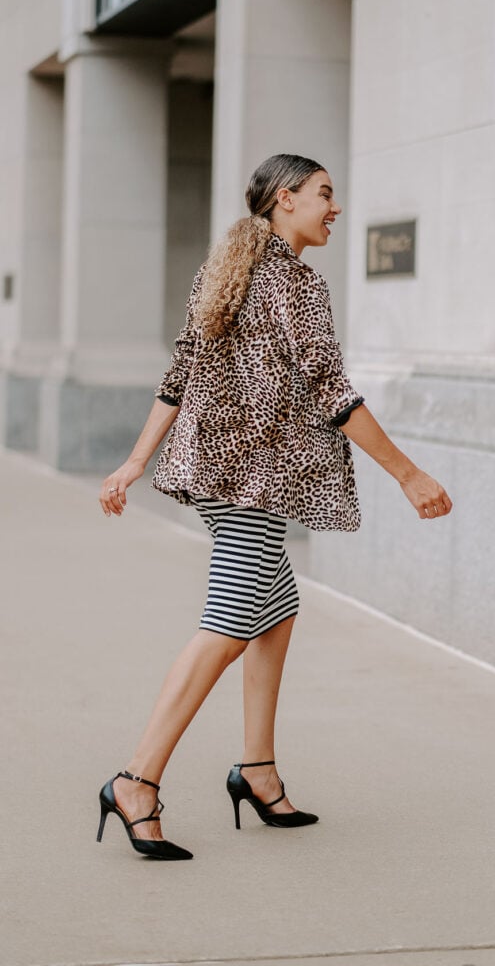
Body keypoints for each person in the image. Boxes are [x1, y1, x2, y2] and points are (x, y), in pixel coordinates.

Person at [97, 153, 452, 861]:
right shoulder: (295, 283)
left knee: (276, 609)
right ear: (285, 200)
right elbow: (331, 390)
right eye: (325, 194)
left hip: (216, 474)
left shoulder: (224, 271)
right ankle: (136, 781)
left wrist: (139, 461)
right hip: (253, 480)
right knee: (227, 626)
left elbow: (179, 376)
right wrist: (408, 474)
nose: (335, 207)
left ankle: (257, 771)